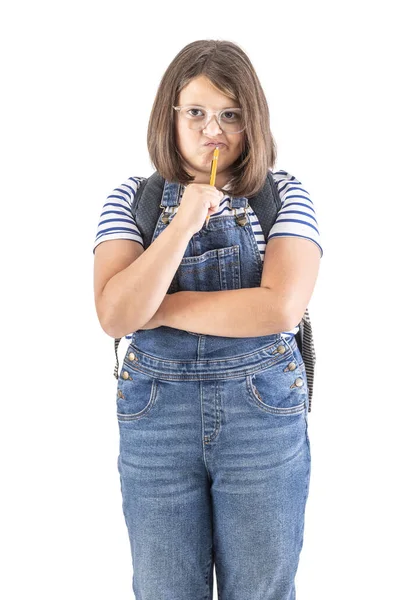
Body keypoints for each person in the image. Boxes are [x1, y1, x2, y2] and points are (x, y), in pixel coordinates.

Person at [93, 39, 323, 600]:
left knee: (263, 590)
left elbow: (278, 308)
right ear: (169, 117)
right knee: (163, 589)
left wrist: (155, 307)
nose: (211, 130)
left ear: (253, 122)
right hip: (156, 421)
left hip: (261, 415)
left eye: (230, 115)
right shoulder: (132, 201)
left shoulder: (284, 195)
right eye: (195, 113)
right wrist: (180, 226)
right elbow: (114, 315)